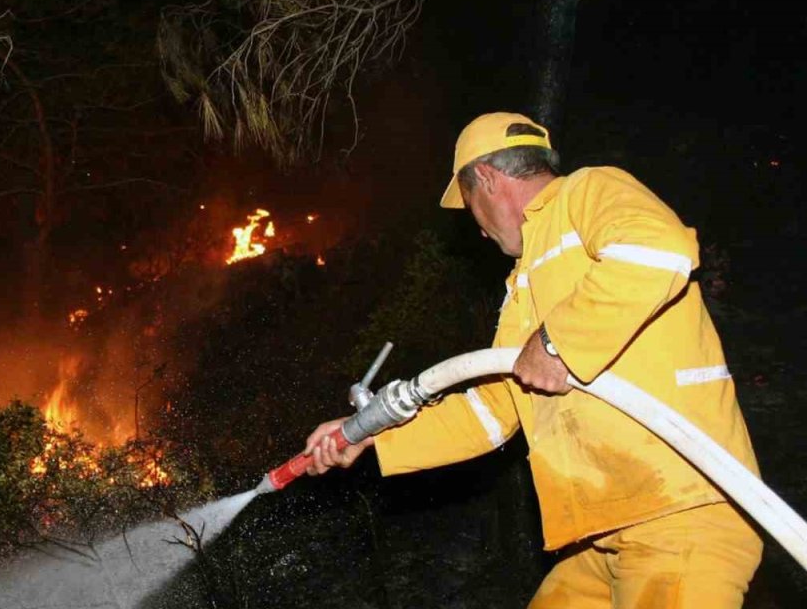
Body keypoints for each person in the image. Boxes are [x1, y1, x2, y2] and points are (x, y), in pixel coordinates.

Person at [306, 112, 762, 608]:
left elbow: (660, 249)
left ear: (486, 178)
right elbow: (494, 412)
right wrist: (372, 433)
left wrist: (555, 343)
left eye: (470, 206)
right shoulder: (525, 282)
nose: (477, 231)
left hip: (680, 510)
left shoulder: (587, 192)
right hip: (605, 534)